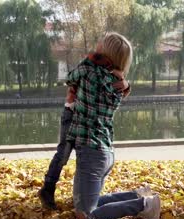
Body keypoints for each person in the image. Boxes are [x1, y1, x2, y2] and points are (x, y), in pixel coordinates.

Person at [67, 32, 161, 219]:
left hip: (90, 151)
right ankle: (136, 195)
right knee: (89, 203)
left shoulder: (89, 70)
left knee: (85, 215)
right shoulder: (119, 84)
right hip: (105, 152)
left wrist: (91, 58)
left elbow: (70, 78)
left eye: (100, 44)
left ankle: (145, 205)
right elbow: (123, 87)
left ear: (104, 51)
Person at [38, 56, 130, 210]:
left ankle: (83, 194)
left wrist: (126, 85)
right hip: (72, 113)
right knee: (63, 154)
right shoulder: (88, 65)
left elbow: (117, 96)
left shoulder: (113, 72)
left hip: (89, 122)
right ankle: (48, 188)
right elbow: (70, 79)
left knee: (85, 154)